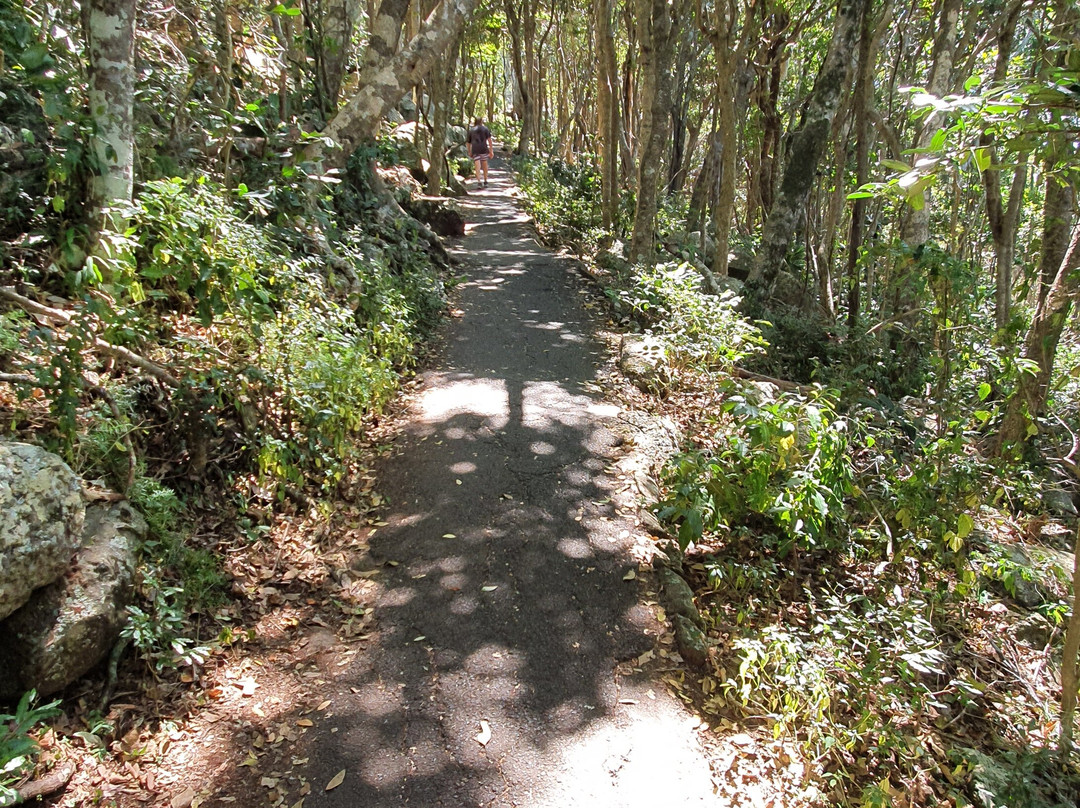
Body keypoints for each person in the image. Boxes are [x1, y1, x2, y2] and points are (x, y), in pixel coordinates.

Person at [467, 117, 493, 188]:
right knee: (484, 164)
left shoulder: (471, 130)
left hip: (475, 149)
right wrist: (491, 151)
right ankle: (485, 181)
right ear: (481, 122)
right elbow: (489, 140)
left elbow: (468, 142)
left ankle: (479, 182)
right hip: (483, 149)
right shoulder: (485, 129)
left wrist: (469, 151)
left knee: (477, 165)